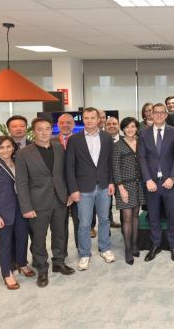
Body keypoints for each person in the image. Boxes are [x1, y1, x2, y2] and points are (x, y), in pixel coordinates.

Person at [16, 117, 74, 287]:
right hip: (37, 203)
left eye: (47, 128)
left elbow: (64, 173)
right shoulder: (23, 153)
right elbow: (21, 182)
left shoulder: (59, 147)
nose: (44, 132)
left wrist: (68, 193)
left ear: (51, 130)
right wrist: (26, 207)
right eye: (40, 129)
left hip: (60, 199)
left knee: (60, 233)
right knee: (39, 238)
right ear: (33, 132)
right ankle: (42, 268)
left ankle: (59, 262)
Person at [66, 107, 116, 271]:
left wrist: (111, 182)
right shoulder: (74, 139)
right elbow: (70, 167)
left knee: (104, 220)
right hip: (83, 189)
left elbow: (110, 162)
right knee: (84, 224)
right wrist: (73, 189)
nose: (89, 121)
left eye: (92, 118)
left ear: (98, 120)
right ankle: (84, 254)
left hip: (103, 186)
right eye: (86, 118)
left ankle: (104, 248)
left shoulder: (107, 138)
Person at [0, 135, 33, 290]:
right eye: (1, 148)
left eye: (8, 146)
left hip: (21, 208)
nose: (6, 150)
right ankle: (7, 273)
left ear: (14, 148)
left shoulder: (19, 162)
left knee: (22, 238)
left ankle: (22, 263)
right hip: (3, 212)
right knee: (5, 243)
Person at [139, 103, 174, 262]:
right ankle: (155, 244)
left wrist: (172, 177)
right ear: (151, 115)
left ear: (166, 115)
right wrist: (148, 179)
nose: (158, 115)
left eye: (161, 113)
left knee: (172, 215)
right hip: (151, 183)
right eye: (155, 112)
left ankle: (173, 245)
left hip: (169, 182)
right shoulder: (143, 133)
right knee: (154, 216)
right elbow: (141, 158)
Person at [111, 117, 146, 265]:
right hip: (124, 185)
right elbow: (115, 167)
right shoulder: (118, 145)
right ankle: (128, 248)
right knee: (127, 218)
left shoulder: (141, 142)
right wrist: (120, 188)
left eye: (133, 126)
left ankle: (135, 244)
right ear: (123, 129)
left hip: (139, 185)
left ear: (136, 128)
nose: (130, 129)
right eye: (127, 127)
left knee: (136, 216)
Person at [51, 113, 81, 255]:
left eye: (69, 122)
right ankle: (61, 254)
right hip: (58, 190)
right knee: (59, 224)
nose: (65, 125)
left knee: (80, 221)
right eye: (62, 122)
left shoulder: (81, 140)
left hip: (78, 188)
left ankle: (82, 249)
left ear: (73, 124)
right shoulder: (50, 141)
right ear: (58, 124)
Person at [104, 116, 122, 229]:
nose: (111, 126)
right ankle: (109, 224)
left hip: (123, 178)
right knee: (106, 206)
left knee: (124, 205)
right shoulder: (99, 139)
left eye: (114, 124)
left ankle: (126, 228)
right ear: (105, 126)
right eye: (109, 124)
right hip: (105, 178)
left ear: (119, 125)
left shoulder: (126, 139)